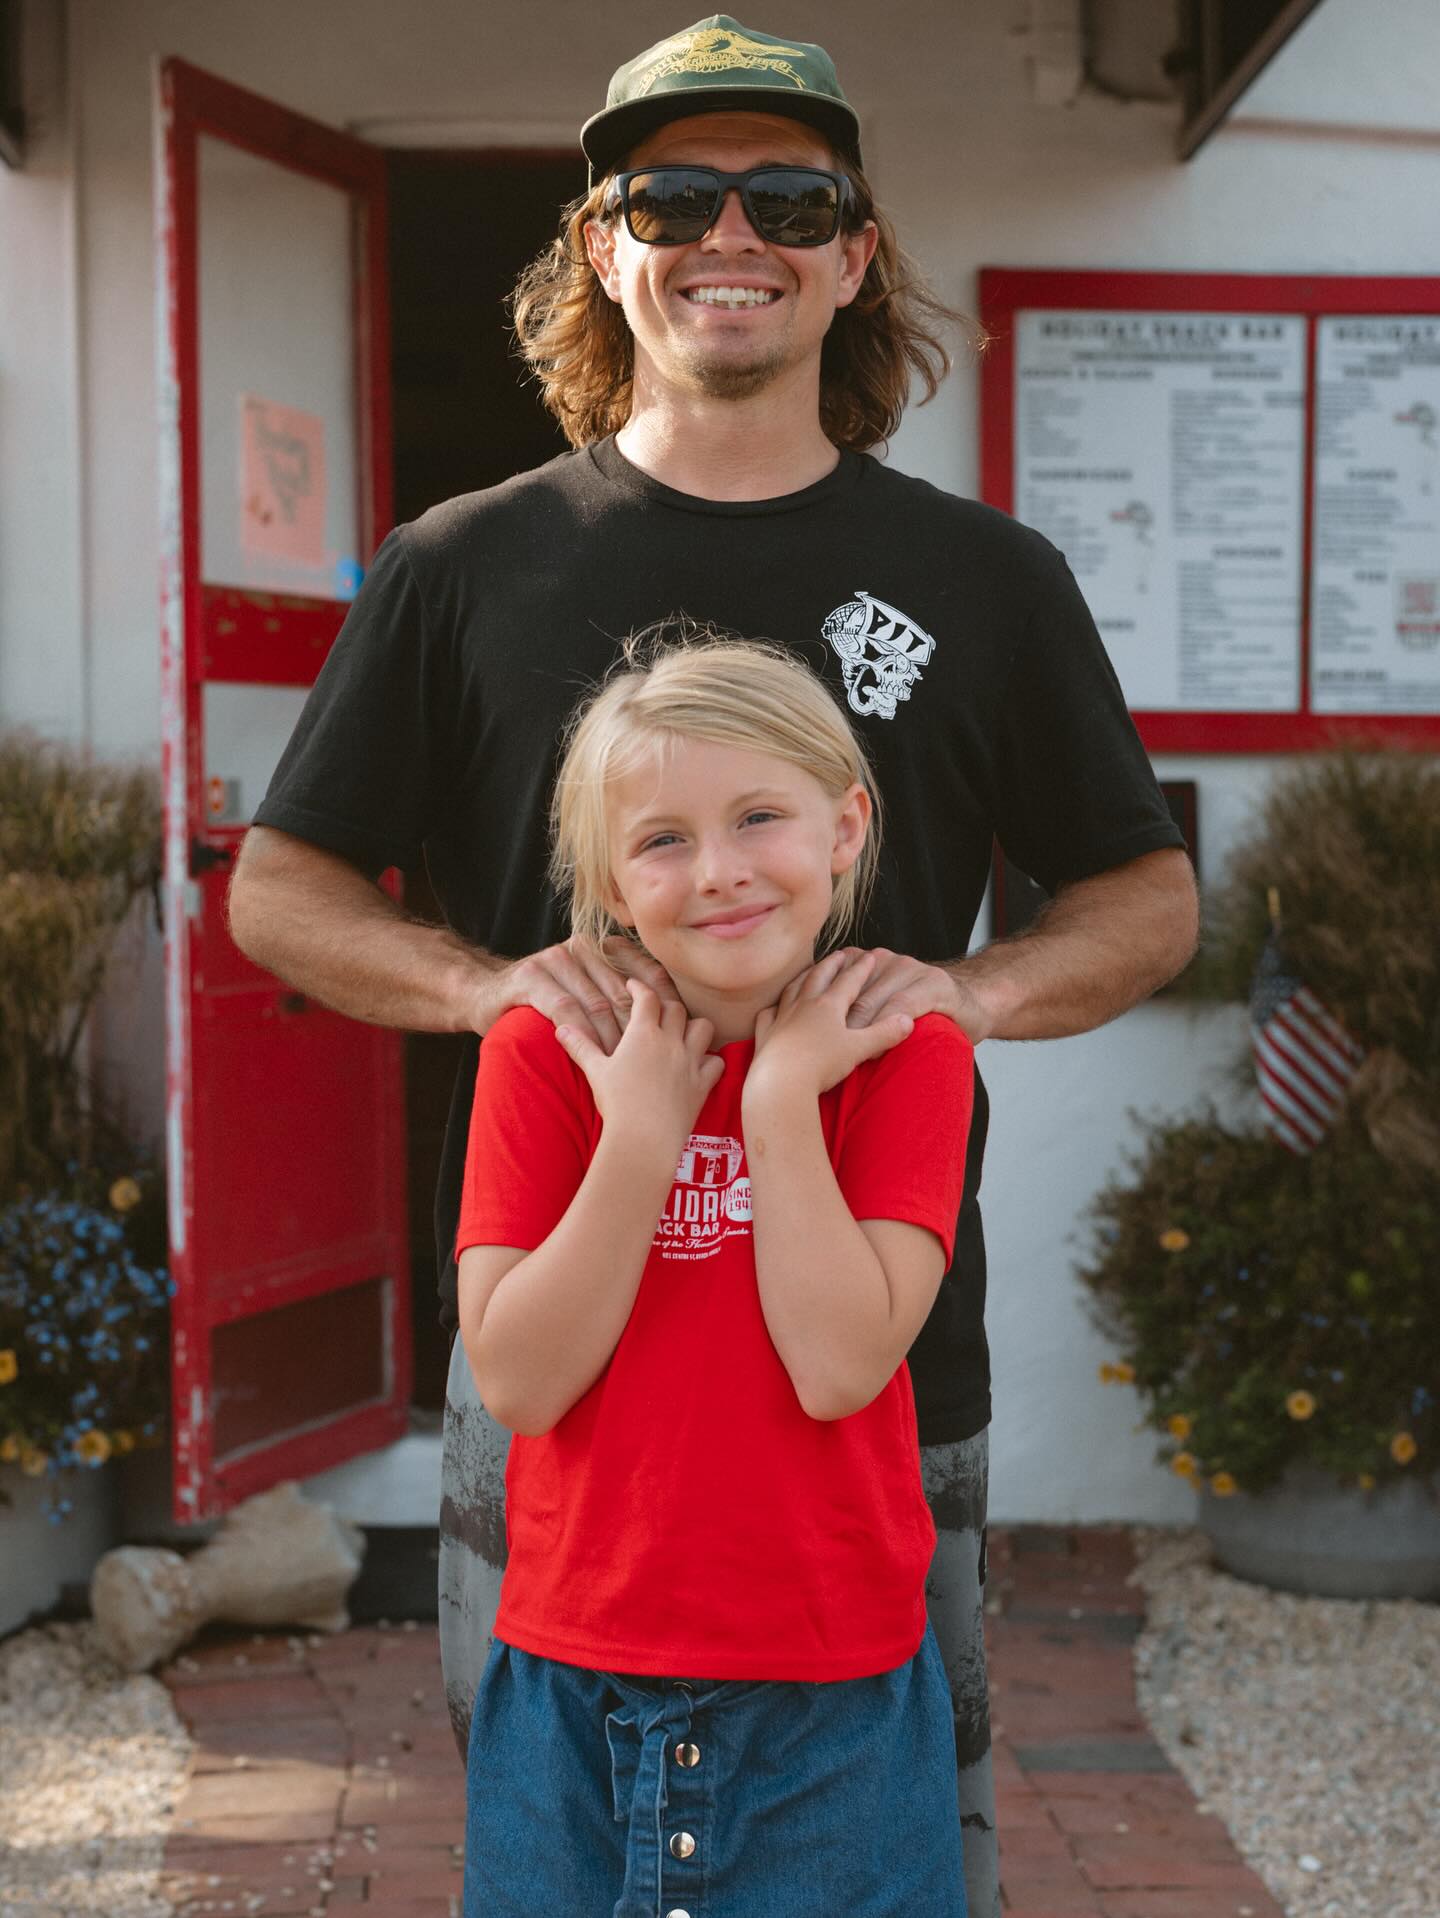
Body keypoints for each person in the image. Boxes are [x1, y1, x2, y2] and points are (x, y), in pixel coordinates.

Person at [228, 19, 1199, 1916]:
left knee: (890, 1850)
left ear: (853, 252)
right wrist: (490, 990)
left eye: (788, 194)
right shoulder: (463, 561)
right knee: (560, 1847)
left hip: (883, 1373)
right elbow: (282, 886)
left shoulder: (986, 576)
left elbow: (1141, 893)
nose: (727, 230)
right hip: (571, 1376)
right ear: (605, 246)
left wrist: (964, 996)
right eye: (671, 195)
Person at [457, 634, 973, 1914]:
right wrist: (640, 1132)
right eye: (663, 839)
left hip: (829, 1685)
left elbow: (838, 1362)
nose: (722, 871)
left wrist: (781, 1099)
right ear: (609, 881)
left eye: (760, 817)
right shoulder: (547, 1049)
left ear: (845, 825)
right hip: (576, 1672)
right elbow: (519, 1378)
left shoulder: (908, 1054)